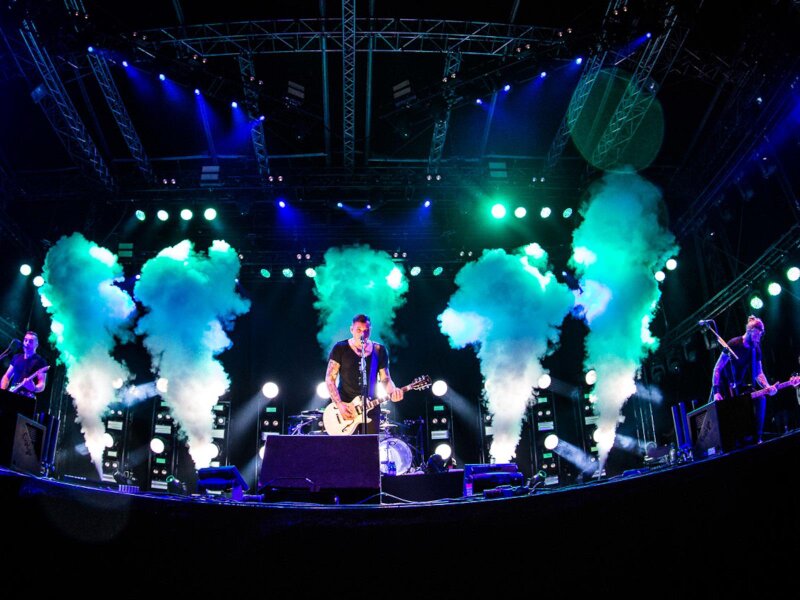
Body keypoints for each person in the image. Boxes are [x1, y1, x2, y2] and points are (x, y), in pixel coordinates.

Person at [325, 314, 403, 434]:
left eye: (366, 330)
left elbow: (385, 379)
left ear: (370, 330)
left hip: (371, 406)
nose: (363, 334)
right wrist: (339, 404)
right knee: (346, 445)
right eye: (359, 330)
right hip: (346, 406)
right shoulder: (340, 348)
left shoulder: (379, 350)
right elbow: (330, 378)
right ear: (351, 330)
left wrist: (394, 391)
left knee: (370, 444)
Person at [710, 316, 776, 443]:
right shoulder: (733, 344)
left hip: (739, 386)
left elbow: (759, 373)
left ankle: (757, 438)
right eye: (757, 335)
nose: (758, 338)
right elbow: (717, 368)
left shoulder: (755, 349)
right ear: (750, 331)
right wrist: (716, 391)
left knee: (761, 398)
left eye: (761, 335)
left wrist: (767, 386)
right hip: (724, 388)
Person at [1, 331, 48, 399]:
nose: (27, 343)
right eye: (25, 340)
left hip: (26, 398)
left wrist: (34, 388)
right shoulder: (16, 357)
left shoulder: (41, 361)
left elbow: (42, 384)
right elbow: (7, 376)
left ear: (36, 345)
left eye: (31, 341)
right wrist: (3, 391)